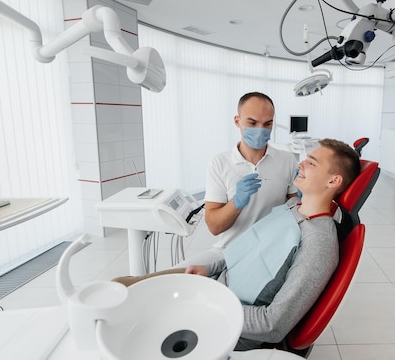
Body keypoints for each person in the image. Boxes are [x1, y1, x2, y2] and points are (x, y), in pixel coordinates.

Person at [113, 139, 361, 351]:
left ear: (333, 182)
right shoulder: (291, 208)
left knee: (136, 334)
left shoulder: (318, 242)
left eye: (312, 162)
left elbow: (272, 325)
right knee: (126, 290)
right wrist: (210, 270)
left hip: (230, 324)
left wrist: (211, 302)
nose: (300, 164)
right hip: (216, 289)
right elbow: (247, 252)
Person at [175, 92, 299, 267]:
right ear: (237, 121)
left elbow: (295, 208)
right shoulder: (219, 164)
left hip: (273, 247)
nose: (260, 129)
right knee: (177, 275)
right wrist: (236, 203)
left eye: (267, 124)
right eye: (252, 123)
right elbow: (215, 227)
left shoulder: (287, 160)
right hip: (229, 250)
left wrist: (301, 198)